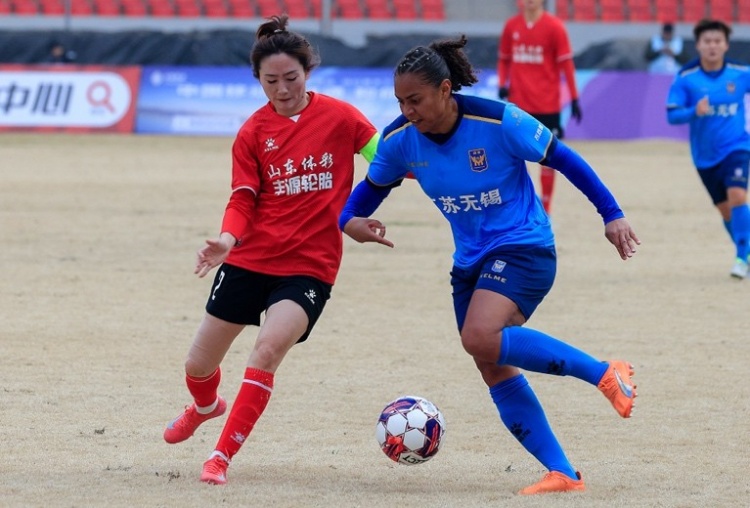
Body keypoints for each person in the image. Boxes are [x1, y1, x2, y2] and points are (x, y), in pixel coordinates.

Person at [340, 35, 640, 495]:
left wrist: (611, 213)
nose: (407, 110)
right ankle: (562, 472)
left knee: (479, 336)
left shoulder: (500, 121)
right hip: (470, 261)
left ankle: (603, 372)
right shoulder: (401, 140)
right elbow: (365, 195)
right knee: (490, 363)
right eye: (400, 101)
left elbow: (565, 160)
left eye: (415, 99)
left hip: (524, 247)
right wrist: (350, 223)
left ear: (445, 89)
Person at [162, 14, 379, 485]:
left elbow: (383, 158)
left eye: (291, 78)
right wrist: (226, 241)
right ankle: (206, 406)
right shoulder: (252, 133)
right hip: (249, 259)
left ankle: (219, 458)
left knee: (266, 351)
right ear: (258, 79)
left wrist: (362, 211)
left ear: (308, 70)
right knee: (198, 365)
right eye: (271, 81)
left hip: (309, 267)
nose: (282, 90)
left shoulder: (342, 117)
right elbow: (243, 198)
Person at [666, 19, 750, 278]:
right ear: (698, 45)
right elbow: (672, 115)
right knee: (726, 210)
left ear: (726, 45)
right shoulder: (686, 78)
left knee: (738, 197)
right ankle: (745, 251)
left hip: (737, 147)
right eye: (707, 41)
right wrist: (694, 111)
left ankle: (741, 258)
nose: (712, 46)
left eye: (717, 41)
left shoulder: (740, 73)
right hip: (705, 157)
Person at [497, 0, 582, 215]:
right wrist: (501, 84)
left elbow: (566, 64)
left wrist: (574, 97)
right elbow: (504, 60)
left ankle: (546, 208)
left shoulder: (555, 27)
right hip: (519, 104)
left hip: (547, 104)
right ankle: (520, 206)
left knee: (548, 158)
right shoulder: (511, 26)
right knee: (514, 157)